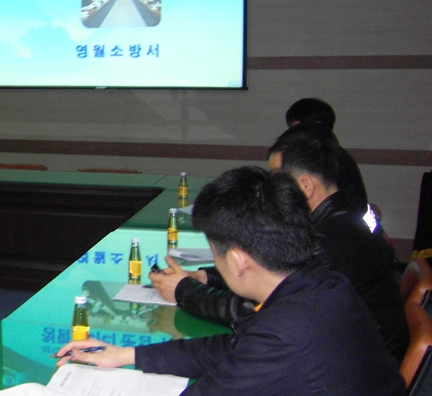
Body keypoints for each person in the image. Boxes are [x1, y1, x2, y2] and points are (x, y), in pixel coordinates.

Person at [57, 167, 411, 396]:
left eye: (216, 253)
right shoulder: (321, 285)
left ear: (239, 261)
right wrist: (128, 354)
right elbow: (235, 348)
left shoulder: (286, 332)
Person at [152, 126, 409, 361]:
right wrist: (206, 277)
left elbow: (258, 309)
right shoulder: (342, 218)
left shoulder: (324, 243)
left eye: (277, 178)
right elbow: (268, 267)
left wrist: (183, 291)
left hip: (357, 362)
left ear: (305, 185)